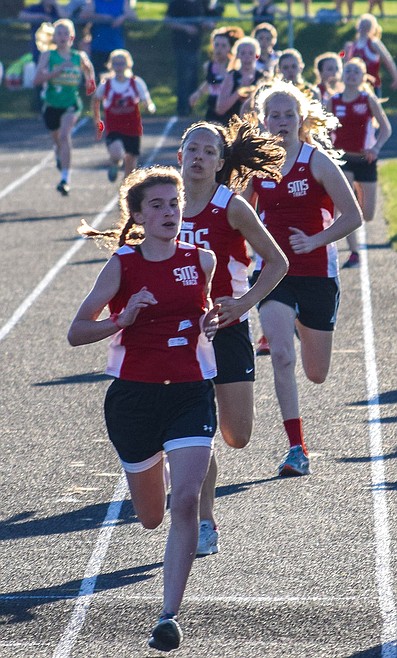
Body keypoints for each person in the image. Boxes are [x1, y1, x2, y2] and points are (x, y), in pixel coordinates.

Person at [67, 165, 220, 652]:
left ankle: (169, 615)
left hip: (191, 391)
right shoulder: (122, 265)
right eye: (156, 205)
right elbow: (76, 332)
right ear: (137, 214)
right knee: (152, 515)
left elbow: (204, 310)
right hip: (133, 397)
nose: (168, 212)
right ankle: (152, 502)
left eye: (174, 203)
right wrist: (123, 317)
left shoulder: (204, 260)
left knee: (188, 501)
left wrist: (212, 322)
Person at [177, 117, 289, 553]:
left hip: (228, 329)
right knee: (196, 432)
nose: (199, 157)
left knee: (236, 435)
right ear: (180, 156)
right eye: (193, 149)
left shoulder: (232, 207)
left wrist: (243, 304)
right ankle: (204, 520)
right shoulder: (161, 204)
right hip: (180, 335)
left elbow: (277, 263)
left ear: (221, 162)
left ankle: (191, 466)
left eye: (209, 151)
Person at [242, 81, 362, 476]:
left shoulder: (316, 161)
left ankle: (296, 318)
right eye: (273, 115)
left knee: (316, 372)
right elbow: (238, 215)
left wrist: (316, 240)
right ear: (263, 121)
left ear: (301, 119)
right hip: (274, 273)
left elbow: (352, 215)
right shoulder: (256, 168)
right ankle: (297, 448)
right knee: (280, 355)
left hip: (317, 274)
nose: (281, 122)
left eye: (288, 115)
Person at [327, 57, 392, 268]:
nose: (352, 75)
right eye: (348, 71)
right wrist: (327, 149)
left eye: (356, 71)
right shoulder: (333, 100)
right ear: (342, 76)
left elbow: (386, 128)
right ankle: (354, 252)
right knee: (346, 206)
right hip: (342, 158)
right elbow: (324, 130)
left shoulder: (367, 99)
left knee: (368, 214)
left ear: (362, 76)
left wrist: (376, 148)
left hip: (366, 159)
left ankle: (353, 244)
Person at [33, 18, 96, 196]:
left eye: (65, 33)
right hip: (52, 104)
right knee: (57, 139)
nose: (61, 37)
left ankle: (65, 179)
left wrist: (91, 85)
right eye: (58, 33)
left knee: (64, 135)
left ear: (72, 37)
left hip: (71, 103)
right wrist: (57, 71)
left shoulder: (78, 57)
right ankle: (59, 153)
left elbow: (89, 70)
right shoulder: (48, 56)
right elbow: (36, 80)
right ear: (53, 37)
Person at [93, 48, 156, 182]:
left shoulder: (136, 82)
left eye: (122, 63)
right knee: (117, 154)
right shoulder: (106, 84)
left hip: (132, 128)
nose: (119, 66)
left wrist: (149, 107)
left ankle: (125, 194)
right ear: (111, 65)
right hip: (114, 127)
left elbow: (147, 101)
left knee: (131, 167)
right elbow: (96, 99)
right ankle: (114, 164)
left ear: (128, 64)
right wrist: (96, 118)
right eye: (116, 63)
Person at [165, 0, 220, 118]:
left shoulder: (201, 2)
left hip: (195, 45)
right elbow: (168, 20)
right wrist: (185, 27)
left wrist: (207, 23)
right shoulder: (177, 2)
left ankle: (191, 108)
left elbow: (210, 16)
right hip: (181, 44)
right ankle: (182, 108)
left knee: (193, 77)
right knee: (184, 76)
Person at [189, 25, 244, 121]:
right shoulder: (209, 66)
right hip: (213, 106)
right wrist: (198, 93)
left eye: (223, 46)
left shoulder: (235, 66)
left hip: (230, 107)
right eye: (217, 45)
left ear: (230, 48)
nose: (219, 49)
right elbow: (210, 82)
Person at [79, 0, 137, 81]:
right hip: (98, 47)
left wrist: (123, 17)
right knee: (98, 78)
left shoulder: (122, 2)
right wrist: (101, 17)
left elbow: (133, 16)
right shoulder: (95, 2)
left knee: (117, 78)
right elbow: (83, 16)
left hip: (116, 48)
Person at [215, 36, 266, 126]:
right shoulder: (231, 76)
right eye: (243, 53)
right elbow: (220, 109)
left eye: (251, 53)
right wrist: (239, 91)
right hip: (232, 125)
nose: (247, 57)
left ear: (256, 56)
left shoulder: (262, 77)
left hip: (256, 125)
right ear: (237, 55)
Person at [344, 14, 397, 97]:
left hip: (372, 86)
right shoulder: (352, 45)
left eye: (367, 25)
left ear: (372, 28)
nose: (364, 27)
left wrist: (395, 77)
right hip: (354, 86)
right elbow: (345, 63)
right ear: (358, 26)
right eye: (362, 24)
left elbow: (388, 60)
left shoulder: (374, 43)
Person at [18, 0, 63, 65]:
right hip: (38, 46)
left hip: (56, 45)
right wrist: (40, 17)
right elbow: (21, 15)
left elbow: (65, 17)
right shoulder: (37, 8)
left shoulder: (56, 9)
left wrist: (57, 5)